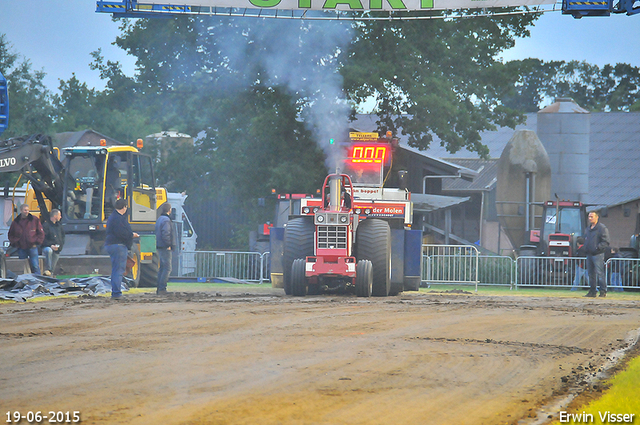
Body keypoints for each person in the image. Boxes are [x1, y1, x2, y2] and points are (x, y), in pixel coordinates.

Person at [105, 199, 139, 300]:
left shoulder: (113, 217)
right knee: (118, 270)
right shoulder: (118, 219)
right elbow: (121, 233)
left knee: (116, 269)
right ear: (124, 207)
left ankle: (116, 292)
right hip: (118, 246)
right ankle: (116, 293)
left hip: (113, 245)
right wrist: (132, 235)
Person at [8, 204, 44, 275]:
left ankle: (38, 281)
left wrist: (37, 242)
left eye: (28, 210)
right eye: (25, 210)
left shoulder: (35, 220)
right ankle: (23, 281)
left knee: (35, 266)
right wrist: (15, 242)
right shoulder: (16, 222)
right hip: (21, 247)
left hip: (32, 247)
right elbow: (10, 234)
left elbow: (41, 232)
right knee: (22, 267)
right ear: (21, 211)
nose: (27, 211)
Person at [583, 210, 610, 298]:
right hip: (589, 254)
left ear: (597, 217)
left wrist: (597, 248)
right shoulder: (588, 229)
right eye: (589, 217)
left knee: (600, 273)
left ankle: (603, 291)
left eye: (592, 217)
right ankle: (592, 291)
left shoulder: (602, 228)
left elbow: (606, 241)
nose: (590, 218)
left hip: (598, 254)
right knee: (591, 274)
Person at [155, 202, 176, 295]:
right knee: (167, 268)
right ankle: (162, 288)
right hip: (165, 246)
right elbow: (166, 233)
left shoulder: (159, 219)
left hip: (159, 245)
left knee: (162, 267)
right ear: (169, 210)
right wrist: (168, 244)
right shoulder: (166, 220)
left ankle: (159, 288)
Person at [42, 209, 65, 277]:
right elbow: (42, 239)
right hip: (47, 247)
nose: (60, 217)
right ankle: (47, 269)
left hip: (57, 249)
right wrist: (50, 245)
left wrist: (60, 247)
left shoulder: (59, 226)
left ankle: (50, 274)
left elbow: (63, 237)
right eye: (59, 215)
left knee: (53, 268)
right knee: (48, 251)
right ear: (55, 216)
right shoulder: (46, 225)